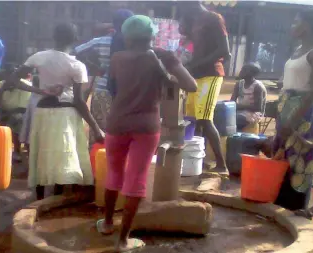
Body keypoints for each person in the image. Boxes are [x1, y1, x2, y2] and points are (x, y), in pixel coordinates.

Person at [97, 15, 197, 252]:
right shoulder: (161, 57)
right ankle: (123, 241)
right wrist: (169, 69)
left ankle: (108, 223)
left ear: (125, 36)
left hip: (117, 123)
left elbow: (113, 87)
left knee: (114, 173)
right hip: (147, 125)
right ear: (152, 35)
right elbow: (191, 86)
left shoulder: (117, 58)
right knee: (137, 178)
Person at [10, 23, 103, 200]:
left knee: (40, 154)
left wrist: (41, 91)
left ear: (53, 37)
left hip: (43, 112)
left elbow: (13, 80)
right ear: (75, 40)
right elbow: (79, 101)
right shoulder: (76, 65)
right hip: (65, 115)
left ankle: (39, 199)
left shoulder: (39, 57)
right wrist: (96, 129)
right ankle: (55, 200)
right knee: (62, 158)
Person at [272, 9, 313, 211]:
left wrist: (293, 120)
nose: (292, 26)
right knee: (280, 153)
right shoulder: (297, 50)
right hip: (286, 106)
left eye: (296, 22)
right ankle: (279, 201)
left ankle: (294, 206)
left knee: (299, 156)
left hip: (302, 112)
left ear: (308, 25)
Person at [178, 1, 231, 175]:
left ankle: (222, 165)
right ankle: (200, 161)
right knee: (192, 119)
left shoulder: (213, 18)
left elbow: (225, 50)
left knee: (205, 119)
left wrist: (197, 64)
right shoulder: (194, 21)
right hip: (196, 75)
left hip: (210, 74)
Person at [75, 9, 134, 146]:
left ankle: (97, 163)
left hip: (102, 91)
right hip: (127, 93)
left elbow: (76, 51)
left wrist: (93, 66)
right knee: (122, 133)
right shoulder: (134, 45)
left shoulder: (101, 41)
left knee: (100, 132)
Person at [230, 63, 267, 131]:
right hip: (241, 111)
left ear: (252, 73)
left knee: (234, 119)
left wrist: (239, 106)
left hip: (254, 114)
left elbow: (258, 108)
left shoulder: (257, 87)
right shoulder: (239, 84)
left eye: (244, 70)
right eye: (242, 69)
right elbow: (232, 101)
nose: (241, 71)